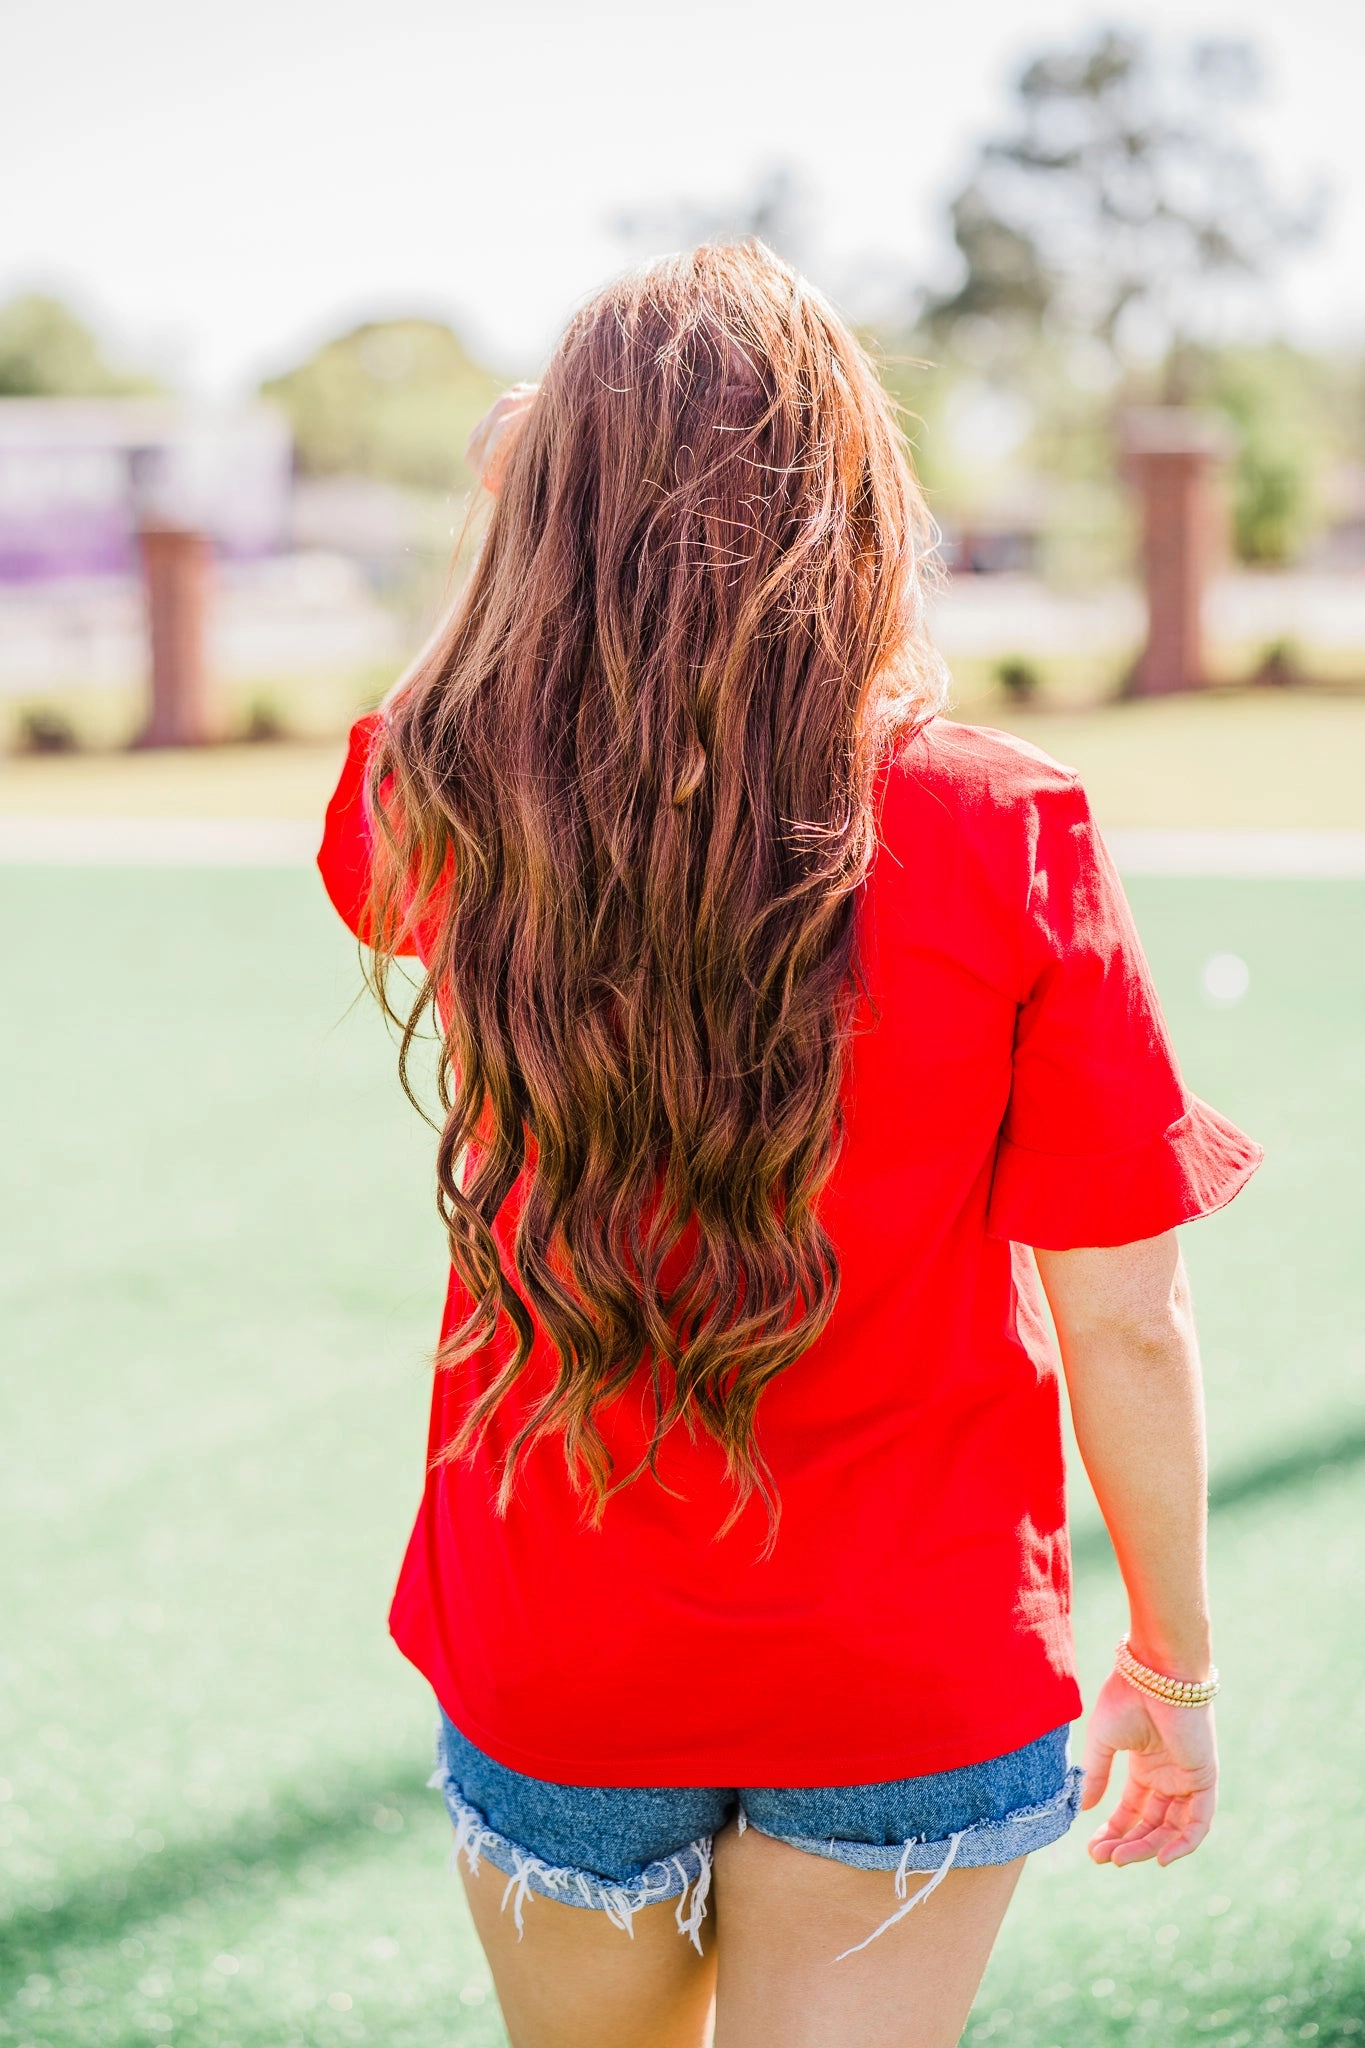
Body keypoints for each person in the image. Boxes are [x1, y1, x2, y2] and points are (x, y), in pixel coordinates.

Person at [317, 242, 1260, 2048]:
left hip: (557, 1644)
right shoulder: (1005, 824)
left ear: (553, 518)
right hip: (906, 1667)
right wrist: (1176, 1663)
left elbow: (415, 753)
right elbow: (1126, 1314)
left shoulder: (455, 806)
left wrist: (518, 508)